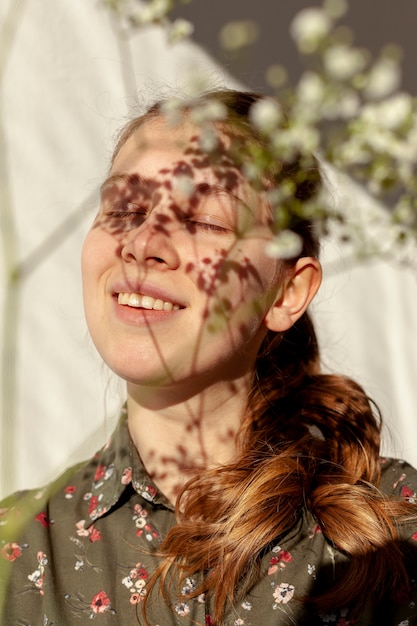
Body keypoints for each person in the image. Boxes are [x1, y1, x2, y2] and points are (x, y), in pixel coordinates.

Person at [1, 89, 417, 626]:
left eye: (204, 221)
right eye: (125, 209)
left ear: (287, 291)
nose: (144, 241)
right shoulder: (16, 549)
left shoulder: (396, 528)